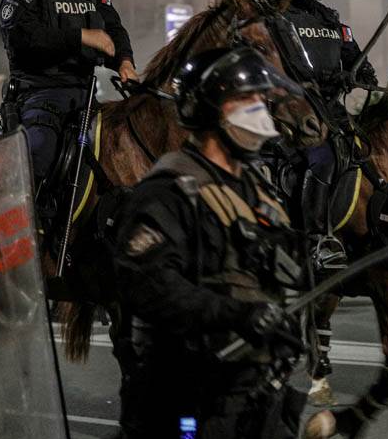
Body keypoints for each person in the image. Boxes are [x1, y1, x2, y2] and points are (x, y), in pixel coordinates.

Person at [113, 46, 307, 439]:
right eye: (245, 98)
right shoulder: (168, 193)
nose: (259, 108)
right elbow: (152, 287)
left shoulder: (255, 188)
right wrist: (237, 315)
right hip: (189, 399)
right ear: (210, 109)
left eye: (260, 97)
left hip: (255, 397)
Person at [0, 0, 136, 225]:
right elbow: (22, 36)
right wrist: (81, 37)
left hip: (87, 95)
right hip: (41, 95)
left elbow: (113, 28)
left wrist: (126, 63)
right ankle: (24, 231)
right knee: (38, 151)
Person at [267, 0, 377, 269]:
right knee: (323, 159)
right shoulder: (272, 17)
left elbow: (362, 67)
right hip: (292, 117)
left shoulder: (332, 20)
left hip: (332, 113)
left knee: (370, 156)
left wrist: (356, 75)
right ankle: (317, 240)